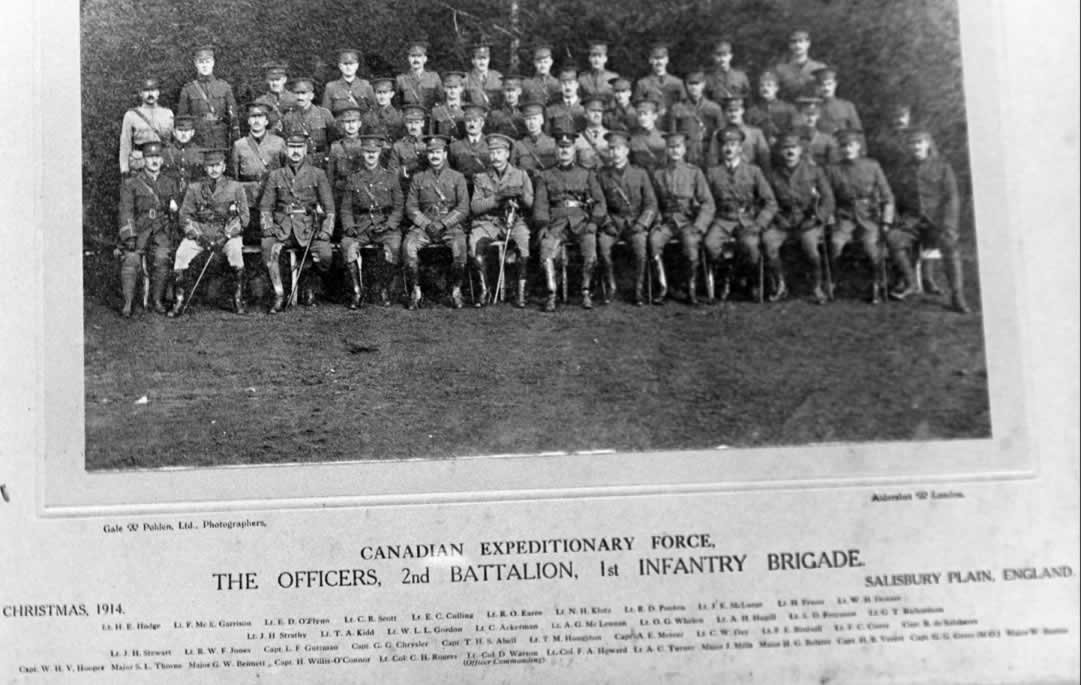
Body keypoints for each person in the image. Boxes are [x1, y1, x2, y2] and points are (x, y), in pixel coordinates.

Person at [885, 128, 969, 313]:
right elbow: (895, 198)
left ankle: (957, 295)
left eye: (919, 142)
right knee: (893, 238)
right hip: (912, 222)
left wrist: (949, 224)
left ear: (928, 144)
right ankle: (911, 282)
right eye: (911, 143)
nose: (915, 146)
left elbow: (951, 197)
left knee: (950, 244)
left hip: (937, 223)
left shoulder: (942, 166)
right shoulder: (903, 169)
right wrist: (898, 220)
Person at [258, 133, 336, 313]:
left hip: (309, 227)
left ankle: (309, 284)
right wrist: (268, 226)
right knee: (267, 247)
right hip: (282, 227)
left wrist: (326, 230)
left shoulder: (318, 174)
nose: (295, 152)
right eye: (292, 148)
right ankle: (278, 294)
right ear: (286, 150)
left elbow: (329, 208)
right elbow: (265, 207)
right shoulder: (276, 175)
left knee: (325, 254)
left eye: (299, 148)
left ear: (305, 150)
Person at [170, 148, 250, 316]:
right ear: (205, 168)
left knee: (236, 252)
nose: (214, 169)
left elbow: (244, 217)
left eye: (217, 165)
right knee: (181, 254)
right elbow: (184, 216)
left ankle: (237, 298)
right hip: (201, 233)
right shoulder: (194, 188)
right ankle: (179, 300)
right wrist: (198, 236)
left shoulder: (235, 187)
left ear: (224, 166)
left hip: (226, 234)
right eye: (210, 166)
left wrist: (227, 236)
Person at [533, 129, 607, 311]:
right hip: (556, 223)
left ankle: (585, 291)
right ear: (555, 150)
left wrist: (593, 223)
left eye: (568, 147)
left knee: (590, 250)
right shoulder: (545, 175)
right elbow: (541, 203)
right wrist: (543, 224)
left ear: (574, 149)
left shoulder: (587, 174)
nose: (564, 151)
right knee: (546, 250)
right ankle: (552, 293)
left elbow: (600, 202)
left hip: (581, 222)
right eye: (560, 147)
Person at [702, 125, 777, 302]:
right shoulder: (712, 173)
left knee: (751, 245)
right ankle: (726, 276)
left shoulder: (753, 171)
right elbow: (705, 200)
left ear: (740, 147)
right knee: (710, 244)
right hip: (722, 219)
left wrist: (759, 224)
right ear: (720, 148)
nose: (729, 148)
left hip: (746, 219)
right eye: (725, 145)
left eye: (733, 144)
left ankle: (752, 282)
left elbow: (770, 202)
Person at [825, 128, 894, 304]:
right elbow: (828, 196)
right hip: (844, 216)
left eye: (850, 145)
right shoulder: (833, 169)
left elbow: (887, 196)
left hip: (868, 216)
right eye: (843, 146)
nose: (847, 149)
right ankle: (834, 281)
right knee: (835, 243)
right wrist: (830, 216)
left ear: (858, 146)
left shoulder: (872, 166)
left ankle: (877, 283)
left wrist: (886, 220)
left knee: (870, 246)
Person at [403, 133, 471, 309]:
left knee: (460, 247)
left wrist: (443, 224)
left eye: (438, 152)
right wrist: (426, 224)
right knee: (409, 246)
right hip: (424, 226)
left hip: (450, 226)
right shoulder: (418, 178)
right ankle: (415, 292)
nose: (434, 156)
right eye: (431, 152)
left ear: (445, 154)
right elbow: (411, 207)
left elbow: (463, 207)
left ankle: (456, 291)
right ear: (427, 154)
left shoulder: (457, 178)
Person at [766, 133, 835, 303]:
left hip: (808, 220)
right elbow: (766, 200)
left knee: (810, 246)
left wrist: (817, 217)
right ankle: (780, 285)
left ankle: (816, 287)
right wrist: (776, 217)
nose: (790, 152)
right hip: (783, 220)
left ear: (800, 150)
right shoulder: (772, 175)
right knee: (768, 242)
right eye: (785, 148)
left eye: (793, 148)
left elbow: (828, 199)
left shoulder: (814, 171)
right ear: (780, 152)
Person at [116, 141, 183, 317]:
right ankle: (128, 303)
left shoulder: (170, 182)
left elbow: (176, 211)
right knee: (131, 260)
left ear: (162, 160)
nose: (154, 161)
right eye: (150, 157)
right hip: (140, 230)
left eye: (157, 157)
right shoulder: (131, 183)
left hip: (161, 231)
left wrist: (174, 211)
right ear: (143, 160)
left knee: (162, 258)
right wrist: (129, 236)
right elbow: (126, 211)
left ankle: (157, 300)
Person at [649, 130, 716, 305]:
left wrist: (700, 225)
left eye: (678, 147)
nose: (674, 151)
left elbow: (708, 203)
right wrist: (656, 221)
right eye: (671, 147)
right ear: (666, 150)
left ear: (684, 149)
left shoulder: (694, 172)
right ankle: (662, 288)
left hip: (688, 221)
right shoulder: (658, 174)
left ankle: (691, 289)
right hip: (668, 222)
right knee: (654, 240)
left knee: (691, 243)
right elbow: (653, 202)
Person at [469, 132, 535, 307]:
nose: (495, 157)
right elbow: (475, 207)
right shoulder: (481, 178)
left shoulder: (521, 175)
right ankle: (484, 290)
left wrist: (520, 195)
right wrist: (497, 198)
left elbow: (531, 203)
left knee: (524, 242)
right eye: (492, 153)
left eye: (499, 152)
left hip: (514, 221)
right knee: (474, 243)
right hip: (488, 223)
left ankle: (520, 292)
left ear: (507, 154)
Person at [339, 134, 405, 309]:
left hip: (385, 225)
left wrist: (390, 224)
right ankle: (357, 291)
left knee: (394, 247)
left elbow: (399, 207)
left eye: (374, 152)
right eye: (367, 152)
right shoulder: (354, 178)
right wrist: (349, 227)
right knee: (347, 245)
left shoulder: (390, 177)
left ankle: (384, 289)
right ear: (362, 153)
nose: (370, 155)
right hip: (361, 225)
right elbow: (346, 208)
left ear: (379, 153)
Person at [595, 125, 657, 305]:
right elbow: (599, 203)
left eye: (619, 149)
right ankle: (611, 286)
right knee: (603, 245)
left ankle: (638, 290)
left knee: (641, 247)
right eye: (611, 149)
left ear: (627, 151)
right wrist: (606, 223)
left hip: (635, 222)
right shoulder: (602, 175)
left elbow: (651, 203)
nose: (615, 153)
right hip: (613, 223)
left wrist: (642, 224)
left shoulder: (640, 173)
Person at [231, 103, 286, 245]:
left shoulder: (278, 143)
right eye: (252, 117)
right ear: (248, 121)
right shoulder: (239, 145)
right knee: (250, 237)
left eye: (260, 117)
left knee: (271, 235)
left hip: (272, 194)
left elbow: (285, 171)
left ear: (266, 121)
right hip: (249, 197)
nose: (256, 121)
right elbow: (235, 176)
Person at [177, 46, 239, 149]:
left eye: (207, 62)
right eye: (201, 62)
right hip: (198, 137)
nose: (204, 65)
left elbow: (233, 117)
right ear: (196, 64)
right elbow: (182, 119)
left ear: (213, 63)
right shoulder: (188, 89)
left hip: (220, 136)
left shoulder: (224, 87)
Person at [119, 77, 174, 175]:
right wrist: (124, 168)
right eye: (146, 91)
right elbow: (125, 143)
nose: (150, 94)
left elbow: (173, 141)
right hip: (140, 162)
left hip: (162, 162)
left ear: (158, 93)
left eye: (153, 90)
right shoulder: (131, 115)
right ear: (140, 94)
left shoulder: (168, 114)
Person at [281, 76, 337, 169]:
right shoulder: (288, 117)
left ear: (311, 95)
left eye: (303, 93)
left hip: (320, 162)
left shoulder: (324, 114)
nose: (300, 97)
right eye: (297, 93)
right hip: (298, 163)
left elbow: (334, 139)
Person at [670, 71, 723, 168]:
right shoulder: (677, 108)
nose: (693, 87)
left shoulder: (714, 108)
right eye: (690, 84)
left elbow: (721, 135)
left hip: (707, 153)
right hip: (686, 154)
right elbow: (673, 136)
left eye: (697, 84)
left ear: (703, 85)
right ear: (686, 85)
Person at [707, 96, 770, 171]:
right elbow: (713, 159)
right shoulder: (718, 133)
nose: (733, 114)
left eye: (736, 110)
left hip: (750, 174)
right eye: (729, 111)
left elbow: (764, 158)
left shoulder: (755, 132)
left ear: (742, 111)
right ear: (724, 113)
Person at [746, 70, 799, 150]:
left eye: (769, 85)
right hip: (759, 149)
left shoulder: (789, 109)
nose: (765, 88)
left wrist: (780, 140)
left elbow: (795, 131)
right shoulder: (751, 112)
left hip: (784, 148)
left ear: (776, 88)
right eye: (762, 86)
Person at [634, 42, 687, 118]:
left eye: (662, 58)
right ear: (650, 60)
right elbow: (638, 106)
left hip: (673, 123)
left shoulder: (677, 83)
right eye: (656, 58)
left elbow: (684, 104)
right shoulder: (642, 84)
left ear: (667, 60)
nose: (659, 62)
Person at [773, 28, 827, 100]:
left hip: (813, 108)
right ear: (789, 45)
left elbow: (825, 93)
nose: (797, 45)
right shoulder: (780, 70)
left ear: (808, 44)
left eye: (801, 41)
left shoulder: (820, 68)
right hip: (787, 108)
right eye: (794, 42)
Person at [448, 103, 491, 190]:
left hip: (486, 192)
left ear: (482, 123)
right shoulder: (454, 147)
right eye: (468, 121)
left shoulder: (491, 144)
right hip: (462, 190)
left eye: (475, 121)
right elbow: (450, 174)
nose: (472, 124)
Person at [512, 98, 558, 178]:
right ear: (525, 122)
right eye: (528, 119)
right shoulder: (518, 145)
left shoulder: (552, 143)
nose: (532, 123)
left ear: (541, 120)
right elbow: (513, 171)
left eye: (535, 118)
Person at [322, 48, 374, 115]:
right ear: (340, 66)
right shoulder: (331, 87)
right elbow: (325, 114)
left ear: (357, 66)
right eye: (345, 64)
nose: (348, 67)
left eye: (351, 64)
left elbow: (374, 111)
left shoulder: (366, 85)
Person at [813, 66, 862, 136]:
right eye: (822, 85)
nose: (826, 88)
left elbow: (858, 132)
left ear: (835, 84)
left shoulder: (847, 106)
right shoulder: (814, 107)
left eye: (829, 84)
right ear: (817, 87)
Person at [396, 40, 443, 110]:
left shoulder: (434, 77)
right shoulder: (401, 79)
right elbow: (397, 104)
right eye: (413, 56)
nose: (416, 59)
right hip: (409, 118)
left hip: (429, 117)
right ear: (408, 59)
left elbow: (441, 100)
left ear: (425, 59)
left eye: (419, 56)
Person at [389, 104, 428, 188]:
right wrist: (404, 169)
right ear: (406, 123)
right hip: (406, 187)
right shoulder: (398, 146)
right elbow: (391, 173)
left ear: (422, 123)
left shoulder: (429, 144)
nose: (413, 127)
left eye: (416, 123)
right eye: (410, 122)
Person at [794, 96, 840, 167]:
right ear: (801, 115)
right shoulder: (794, 138)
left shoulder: (827, 139)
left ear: (818, 116)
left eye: (813, 115)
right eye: (806, 114)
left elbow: (834, 164)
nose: (810, 118)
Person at [161, 115, 203, 190]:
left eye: (187, 130)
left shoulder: (200, 152)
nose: (183, 134)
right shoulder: (166, 152)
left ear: (192, 132)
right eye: (180, 130)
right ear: (174, 132)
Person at [254, 62, 297, 134]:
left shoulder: (295, 99)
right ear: (267, 81)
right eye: (272, 80)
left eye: (278, 80)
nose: (275, 83)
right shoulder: (260, 102)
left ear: (284, 80)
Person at [628, 94, 667, 173]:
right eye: (639, 114)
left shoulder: (665, 138)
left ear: (654, 116)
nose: (642, 118)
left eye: (645, 114)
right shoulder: (632, 138)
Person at [545, 64, 586, 135]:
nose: (567, 87)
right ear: (560, 85)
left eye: (570, 83)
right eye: (564, 83)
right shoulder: (551, 110)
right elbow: (548, 135)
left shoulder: (585, 107)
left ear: (577, 84)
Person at [574, 95, 610, 170]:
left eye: (599, 111)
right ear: (585, 114)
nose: (597, 114)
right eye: (593, 111)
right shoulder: (576, 139)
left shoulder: (611, 137)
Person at [465, 41, 503, 109]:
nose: (482, 62)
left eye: (485, 59)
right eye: (479, 59)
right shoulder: (466, 79)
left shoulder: (498, 77)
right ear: (473, 61)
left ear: (489, 60)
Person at [431, 72, 467, 138]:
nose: (452, 91)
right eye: (449, 87)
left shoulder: (468, 109)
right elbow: (432, 136)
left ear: (461, 88)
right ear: (444, 88)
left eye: (455, 87)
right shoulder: (436, 111)